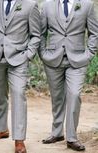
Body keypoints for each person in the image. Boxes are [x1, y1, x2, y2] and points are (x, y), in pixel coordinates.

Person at [40, 0, 98, 151]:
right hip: (53, 58)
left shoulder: (87, 5)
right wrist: (43, 54)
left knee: (74, 94)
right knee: (57, 96)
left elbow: (94, 32)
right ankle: (57, 132)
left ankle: (72, 138)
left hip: (78, 59)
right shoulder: (46, 5)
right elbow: (41, 32)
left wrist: (89, 54)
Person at [0, 0, 40, 152]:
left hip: (19, 58)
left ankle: (19, 139)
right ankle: (1, 129)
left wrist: (28, 54)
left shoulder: (30, 4)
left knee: (18, 94)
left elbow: (36, 35)